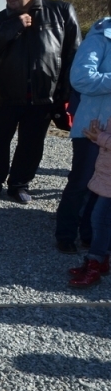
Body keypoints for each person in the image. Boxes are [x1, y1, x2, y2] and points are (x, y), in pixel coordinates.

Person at [0, 0, 79, 204]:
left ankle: (19, 184)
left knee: (32, 144)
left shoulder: (61, 11)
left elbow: (73, 52)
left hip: (43, 96)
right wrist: (15, 24)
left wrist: (64, 94)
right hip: (5, 94)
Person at [56, 0, 111, 254]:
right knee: (82, 183)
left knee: (105, 186)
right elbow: (80, 78)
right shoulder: (100, 37)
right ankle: (66, 233)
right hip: (93, 126)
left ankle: (90, 234)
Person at [67, 118, 111, 287]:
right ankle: (102, 261)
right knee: (104, 221)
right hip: (107, 176)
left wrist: (101, 137)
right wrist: (98, 135)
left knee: (99, 220)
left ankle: (94, 264)